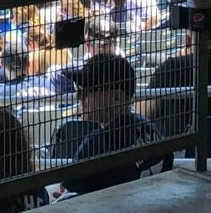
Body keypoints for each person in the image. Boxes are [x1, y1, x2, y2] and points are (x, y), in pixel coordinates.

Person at [58, 53, 162, 196]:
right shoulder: (148, 127)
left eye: (87, 91)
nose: (80, 97)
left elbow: (68, 194)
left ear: (117, 97)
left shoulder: (97, 144)